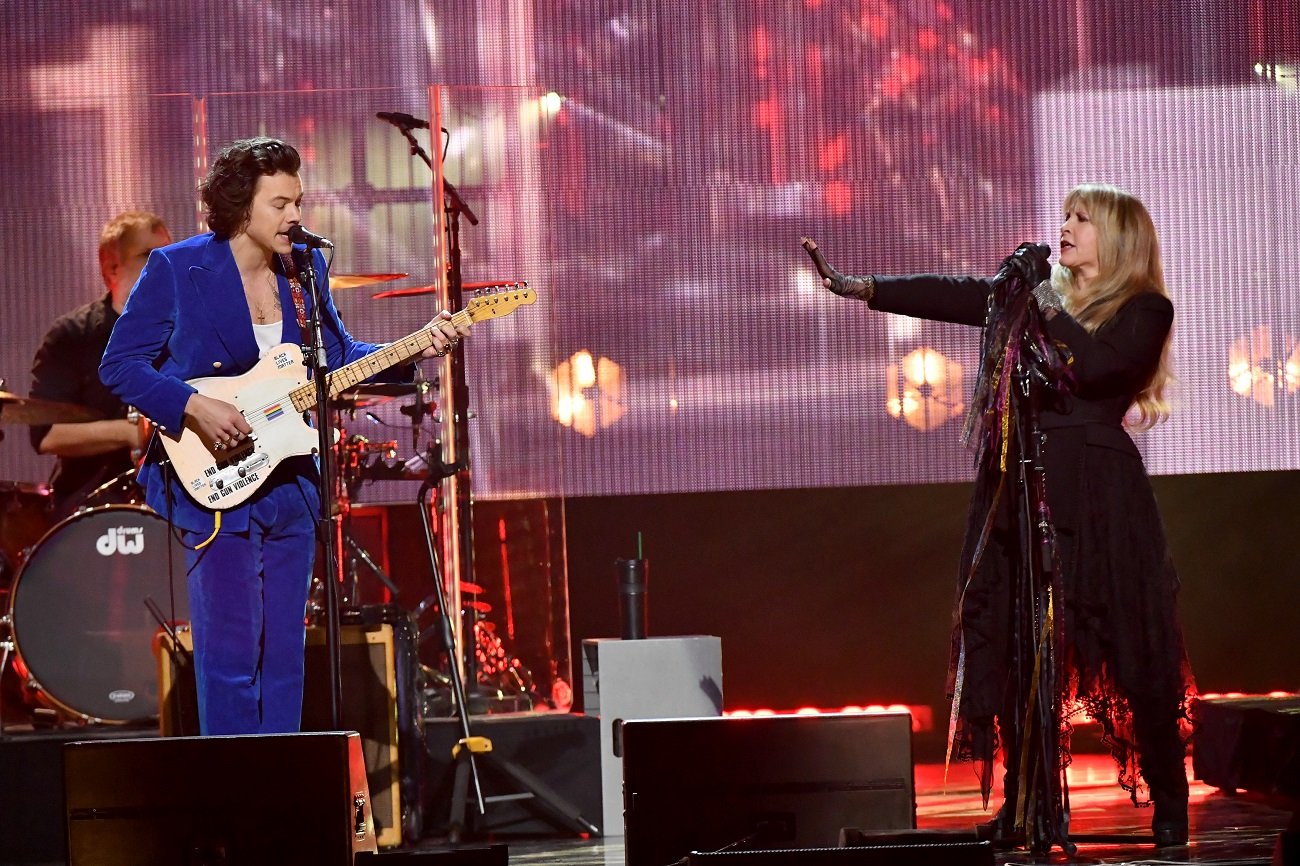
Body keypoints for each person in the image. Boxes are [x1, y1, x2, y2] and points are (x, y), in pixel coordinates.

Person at [805, 182, 1193, 848]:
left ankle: (1170, 800)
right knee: (1019, 648)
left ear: (1118, 238)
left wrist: (1043, 300)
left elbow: (1098, 368)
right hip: (1023, 488)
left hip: (1099, 496)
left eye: (1082, 219)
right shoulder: (1031, 304)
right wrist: (866, 288)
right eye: (1065, 215)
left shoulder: (1144, 309)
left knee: (1130, 647)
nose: (1065, 226)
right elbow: (961, 295)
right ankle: (1023, 804)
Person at [100, 137, 469, 736]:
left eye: (298, 201)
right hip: (218, 481)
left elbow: (338, 358)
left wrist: (416, 348)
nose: (295, 215)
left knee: (284, 660)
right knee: (229, 658)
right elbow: (120, 365)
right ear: (239, 206)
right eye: (280, 204)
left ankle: (285, 784)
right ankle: (237, 788)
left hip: (292, 483)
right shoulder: (177, 268)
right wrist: (194, 405)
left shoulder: (304, 269)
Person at [29, 211, 173, 519]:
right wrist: (132, 432)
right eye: (150, 255)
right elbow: (46, 435)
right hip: (92, 506)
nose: (166, 263)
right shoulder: (72, 335)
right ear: (112, 267)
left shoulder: (188, 331)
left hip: (179, 501)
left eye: (169, 253)